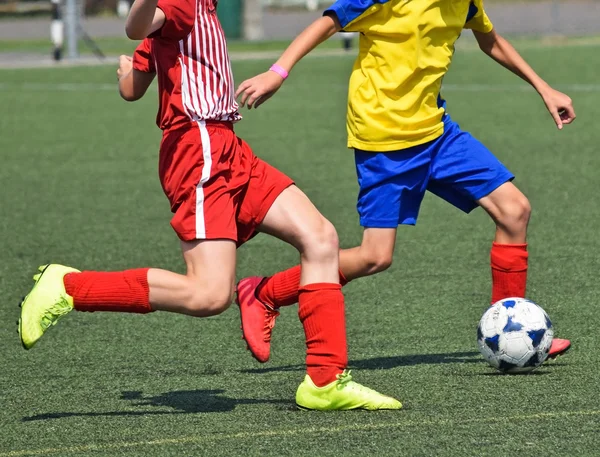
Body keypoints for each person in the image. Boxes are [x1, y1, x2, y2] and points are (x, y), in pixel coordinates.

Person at [17, 0, 401, 412]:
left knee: (320, 236)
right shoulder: (183, 3)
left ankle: (325, 380)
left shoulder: (202, 8)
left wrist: (128, 72)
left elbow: (132, 90)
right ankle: (69, 287)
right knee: (208, 295)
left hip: (228, 148)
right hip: (198, 152)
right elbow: (136, 27)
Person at [235, 0, 575, 363]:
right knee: (374, 257)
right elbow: (329, 22)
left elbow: (490, 40)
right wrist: (278, 72)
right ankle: (265, 293)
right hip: (385, 142)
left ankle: (511, 330)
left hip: (436, 133)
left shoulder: (466, 3)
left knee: (514, 210)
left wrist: (544, 88)